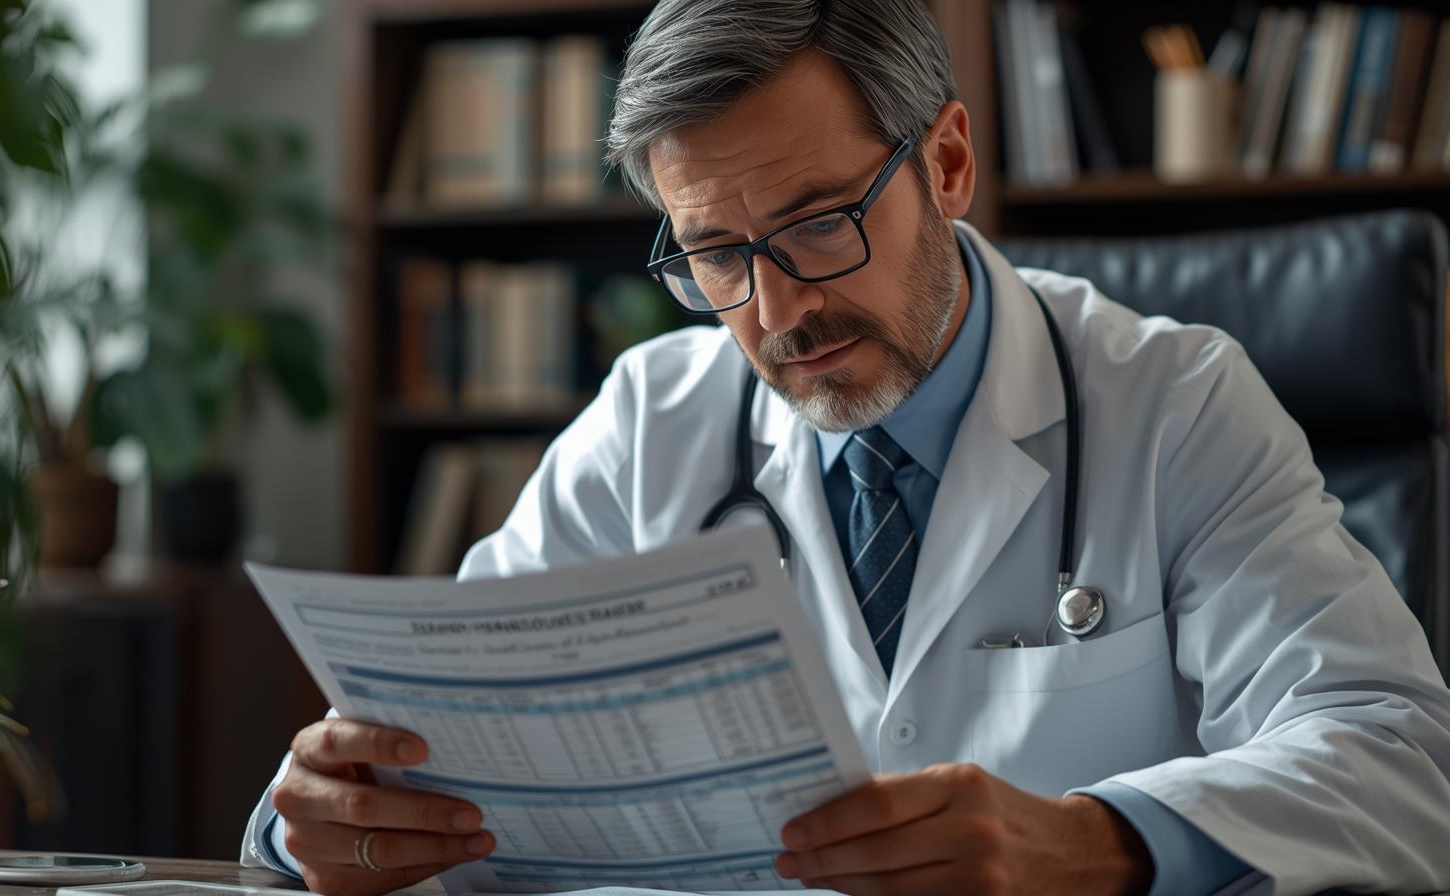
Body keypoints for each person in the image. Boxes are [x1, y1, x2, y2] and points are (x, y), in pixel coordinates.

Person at [242, 1, 1450, 894]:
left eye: (817, 223)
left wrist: (1095, 839)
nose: (774, 314)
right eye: (715, 253)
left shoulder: (1172, 402)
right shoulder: (647, 423)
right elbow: (447, 756)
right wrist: (324, 824)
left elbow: (1396, 763)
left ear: (948, 162)